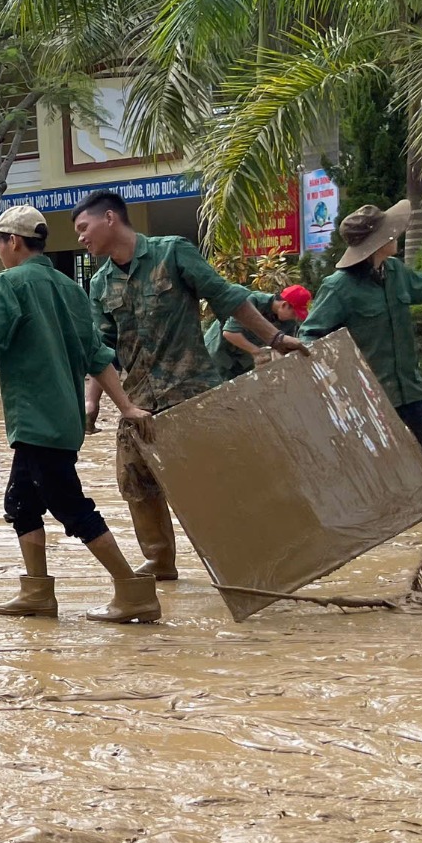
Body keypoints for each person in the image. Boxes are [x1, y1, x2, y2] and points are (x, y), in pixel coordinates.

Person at [0, 206, 161, 623]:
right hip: (60, 419)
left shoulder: (10, 283)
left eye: (0, 244)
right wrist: (127, 406)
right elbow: (96, 356)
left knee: (71, 507)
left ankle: (134, 592)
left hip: (35, 419)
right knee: (21, 503)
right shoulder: (70, 288)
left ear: (13, 241)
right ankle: (38, 594)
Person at [75, 191, 304, 581]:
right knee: (134, 480)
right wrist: (91, 401)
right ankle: (160, 561)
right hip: (139, 402)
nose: (80, 237)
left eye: (83, 228)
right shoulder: (100, 284)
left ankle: (249, 563)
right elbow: (103, 351)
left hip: (192, 392)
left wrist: (276, 339)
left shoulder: (172, 253)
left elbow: (228, 297)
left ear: (110, 218)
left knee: (215, 481)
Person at [300, 201, 422, 476]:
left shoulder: (394, 271)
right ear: (378, 242)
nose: (397, 235)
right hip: (371, 395)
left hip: (410, 388)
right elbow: (310, 336)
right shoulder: (339, 287)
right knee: (380, 469)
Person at [207, 285, 312, 380]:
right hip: (216, 355)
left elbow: (283, 347)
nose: (295, 317)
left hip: (242, 363)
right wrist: (256, 352)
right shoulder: (251, 302)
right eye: (294, 313)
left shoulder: (288, 323)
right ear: (284, 305)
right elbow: (230, 333)